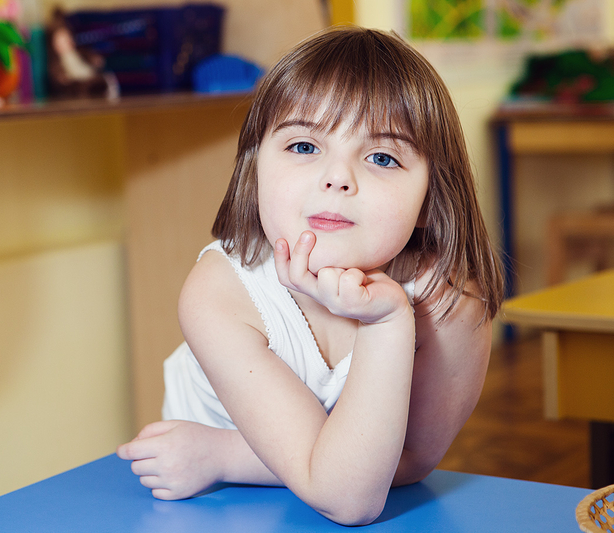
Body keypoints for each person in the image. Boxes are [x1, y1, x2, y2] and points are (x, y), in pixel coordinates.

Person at [116, 26, 505, 526]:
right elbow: (346, 494)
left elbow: (398, 468)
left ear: (432, 199)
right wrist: (230, 459)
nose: (337, 177)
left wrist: (223, 456)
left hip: (249, 476)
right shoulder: (219, 294)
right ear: (254, 170)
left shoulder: (450, 305)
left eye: (382, 157)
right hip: (216, 511)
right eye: (304, 146)